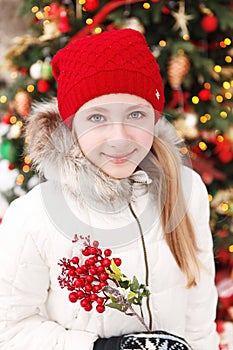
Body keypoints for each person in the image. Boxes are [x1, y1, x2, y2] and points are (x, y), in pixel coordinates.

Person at [0, 28, 219, 350]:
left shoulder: (187, 190)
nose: (119, 136)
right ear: (71, 124)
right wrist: (99, 347)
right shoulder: (34, 215)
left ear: (155, 118)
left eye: (135, 114)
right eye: (97, 117)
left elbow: (198, 309)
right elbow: (10, 330)